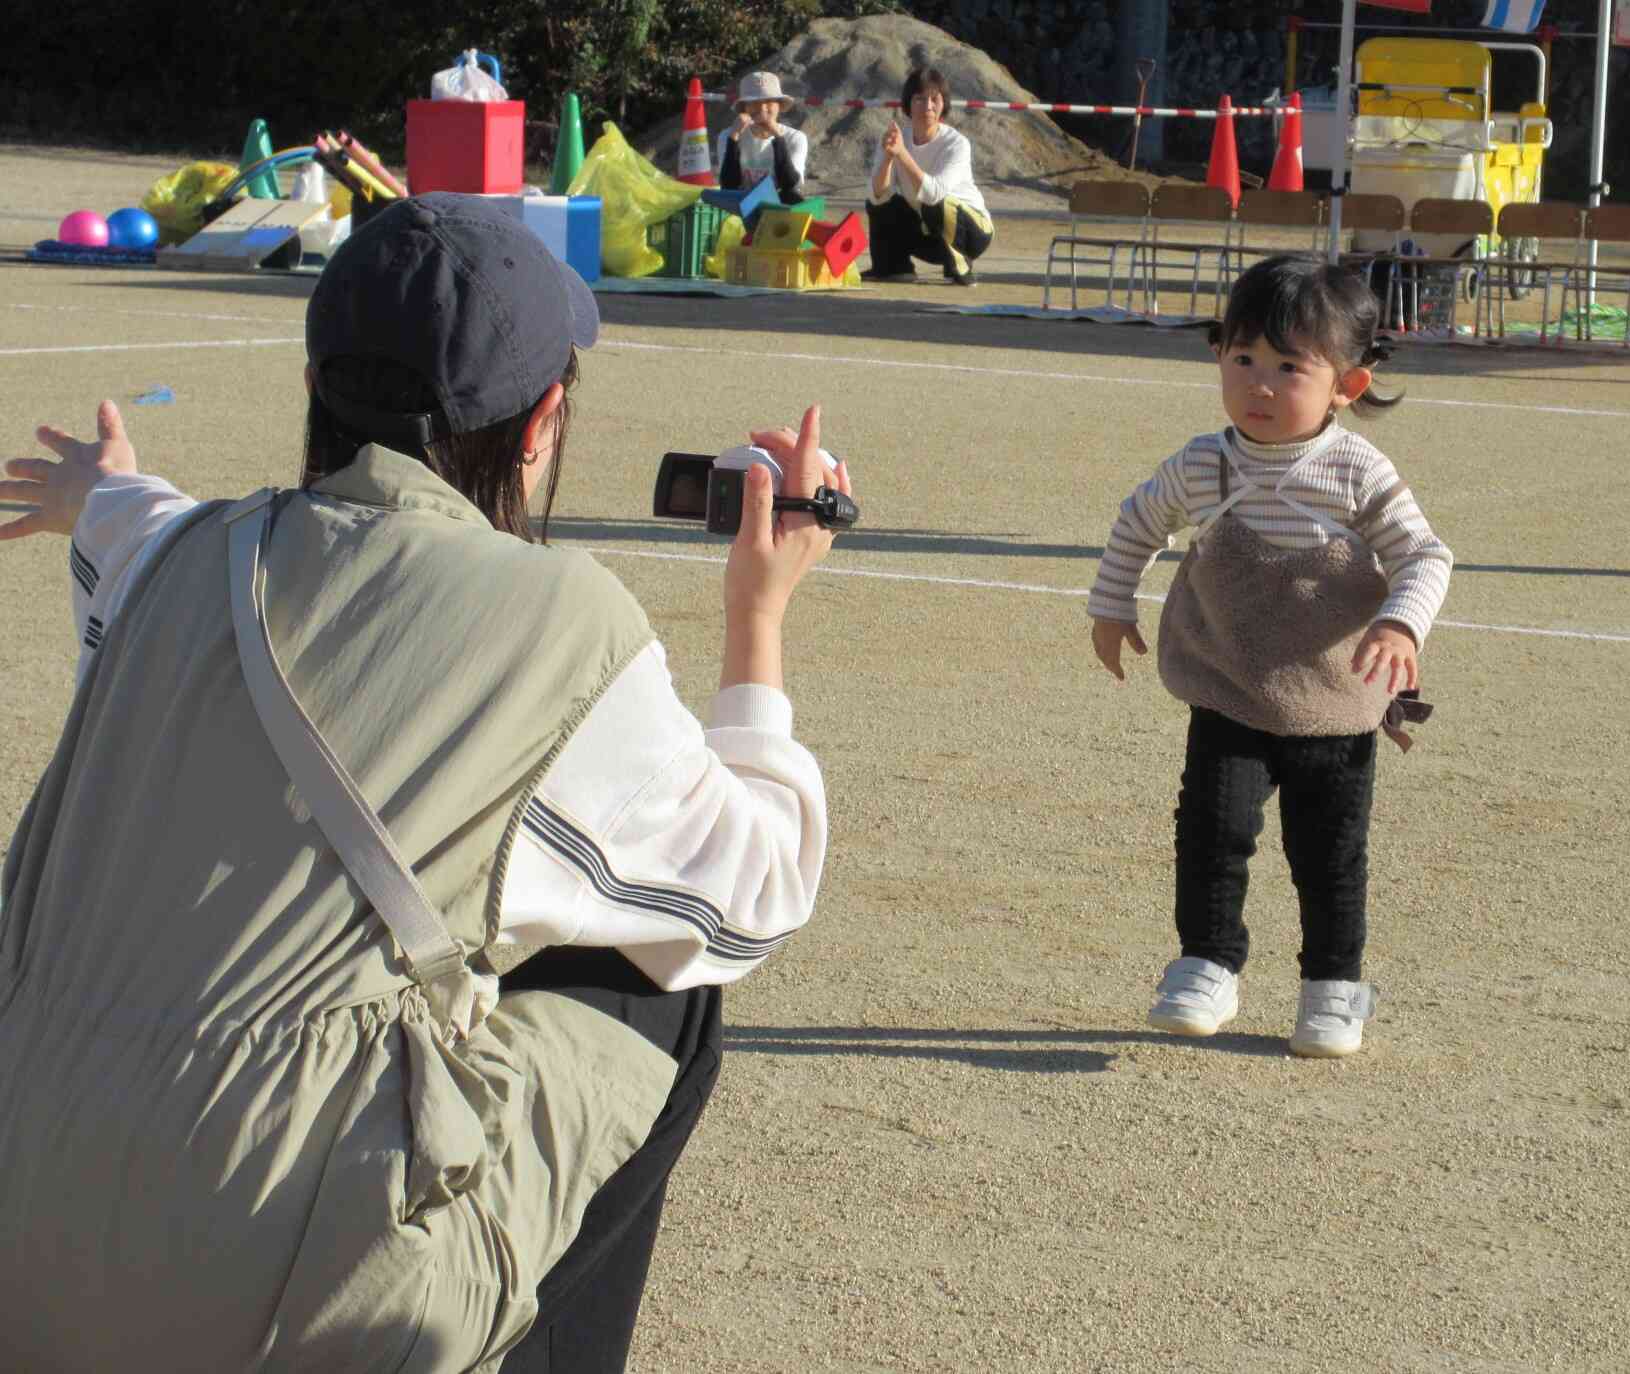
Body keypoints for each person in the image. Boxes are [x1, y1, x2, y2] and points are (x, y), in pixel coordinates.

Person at [0, 193, 851, 1373]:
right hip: (264, 1302)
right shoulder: (561, 623)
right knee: (664, 975)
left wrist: (91, 487)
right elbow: (754, 893)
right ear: (542, 421)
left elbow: (128, 516)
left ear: (315, 386)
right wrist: (757, 616)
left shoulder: (180, 556)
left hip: (23, 1230)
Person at [1086, 257, 1452, 1059]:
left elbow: (1425, 556)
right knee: (1213, 830)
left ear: (1346, 386)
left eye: (1290, 368)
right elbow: (1138, 523)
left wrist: (1400, 625)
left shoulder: (1358, 470)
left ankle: (1332, 988)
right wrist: (1112, 603)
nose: (1260, 383)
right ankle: (1206, 965)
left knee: (1328, 852)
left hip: (1335, 693)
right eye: (1243, 357)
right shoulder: (1202, 463)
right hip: (1230, 683)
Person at [863, 65, 994, 287]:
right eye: (920, 99)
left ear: (943, 105)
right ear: (908, 105)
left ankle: (960, 265)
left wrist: (902, 154)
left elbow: (934, 194)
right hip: (932, 233)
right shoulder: (895, 138)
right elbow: (877, 195)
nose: (928, 107)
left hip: (972, 232)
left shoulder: (957, 144)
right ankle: (892, 266)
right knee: (879, 203)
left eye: (935, 99)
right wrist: (887, 158)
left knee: (934, 202)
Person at [716, 70, 809, 205]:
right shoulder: (728, 136)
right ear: (744, 109)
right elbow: (728, 185)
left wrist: (778, 138)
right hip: (740, 207)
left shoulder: (795, 138)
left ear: (779, 106)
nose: (762, 109)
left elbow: (790, 185)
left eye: (769, 102)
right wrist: (734, 138)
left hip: (778, 209)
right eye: (754, 103)